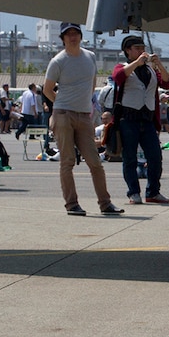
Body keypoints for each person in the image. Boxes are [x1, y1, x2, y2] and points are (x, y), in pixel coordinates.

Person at [43, 22, 125, 216]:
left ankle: (105, 203)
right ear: (62, 39)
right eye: (68, 34)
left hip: (83, 115)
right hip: (63, 114)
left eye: (75, 33)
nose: (72, 37)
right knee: (68, 161)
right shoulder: (57, 61)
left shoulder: (90, 57)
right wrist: (61, 104)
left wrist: (86, 104)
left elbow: (92, 82)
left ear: (80, 36)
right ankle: (71, 204)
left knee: (95, 161)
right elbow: (47, 89)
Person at [111, 35, 169, 204]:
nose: (141, 51)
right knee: (129, 157)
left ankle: (153, 192)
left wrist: (158, 64)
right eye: (137, 48)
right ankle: (133, 192)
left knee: (155, 157)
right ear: (128, 51)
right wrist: (136, 63)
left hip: (147, 120)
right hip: (128, 119)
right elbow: (118, 77)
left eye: (142, 48)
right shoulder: (123, 67)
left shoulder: (151, 70)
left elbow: (167, 83)